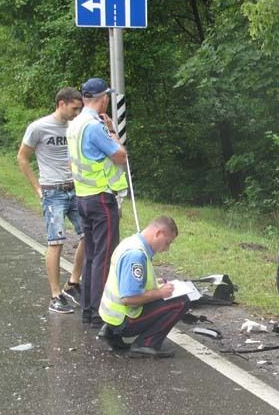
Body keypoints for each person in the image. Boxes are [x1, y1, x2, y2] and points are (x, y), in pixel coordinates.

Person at [17, 87, 86, 314]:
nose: (77, 113)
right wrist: (37, 188)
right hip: (52, 191)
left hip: (75, 189)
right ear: (62, 104)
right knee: (55, 242)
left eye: (80, 109)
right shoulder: (39, 127)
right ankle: (55, 295)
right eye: (74, 108)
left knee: (89, 234)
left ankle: (73, 282)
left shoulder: (75, 127)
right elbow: (23, 157)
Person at [67, 77, 128, 328]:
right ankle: (100, 314)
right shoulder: (94, 126)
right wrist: (113, 131)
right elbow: (120, 156)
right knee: (104, 256)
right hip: (102, 197)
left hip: (83, 196)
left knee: (93, 256)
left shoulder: (74, 125)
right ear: (103, 99)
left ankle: (89, 310)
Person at [98, 216, 191, 358]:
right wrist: (160, 293)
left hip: (111, 317)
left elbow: (127, 280)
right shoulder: (136, 255)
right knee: (182, 301)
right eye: (167, 243)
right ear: (158, 233)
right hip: (123, 320)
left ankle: (109, 332)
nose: (166, 249)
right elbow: (128, 298)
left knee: (168, 296)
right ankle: (146, 344)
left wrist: (155, 283)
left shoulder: (130, 242)